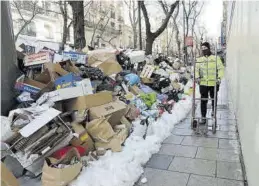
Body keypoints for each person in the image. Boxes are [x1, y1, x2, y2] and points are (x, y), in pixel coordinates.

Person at [195, 42, 225, 124]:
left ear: (209, 49)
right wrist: (197, 77)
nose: (204, 51)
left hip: (214, 83)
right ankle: (203, 117)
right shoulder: (199, 60)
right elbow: (196, 70)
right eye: (202, 49)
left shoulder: (215, 58)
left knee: (213, 99)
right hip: (203, 84)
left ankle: (213, 111)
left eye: (205, 49)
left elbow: (221, 69)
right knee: (203, 100)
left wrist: (219, 78)